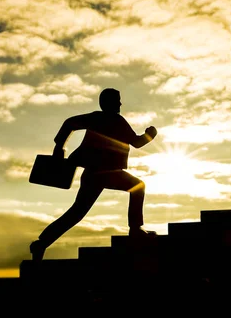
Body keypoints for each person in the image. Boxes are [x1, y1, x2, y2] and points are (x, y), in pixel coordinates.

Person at [29, 88, 158, 262]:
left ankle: (41, 243)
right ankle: (135, 229)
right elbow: (137, 142)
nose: (120, 104)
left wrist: (59, 147)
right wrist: (150, 135)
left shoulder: (101, 119)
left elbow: (69, 124)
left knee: (76, 213)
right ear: (109, 102)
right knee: (137, 187)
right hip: (105, 173)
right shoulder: (109, 120)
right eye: (117, 100)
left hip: (95, 173)